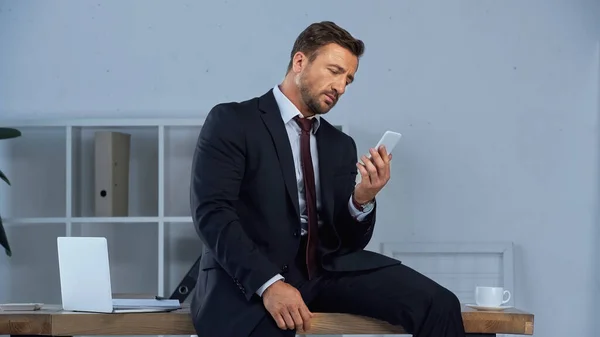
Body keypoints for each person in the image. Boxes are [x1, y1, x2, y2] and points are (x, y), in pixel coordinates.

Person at [189, 21, 465, 337]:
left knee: (440, 303)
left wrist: (361, 199)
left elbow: (345, 242)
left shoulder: (339, 144)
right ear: (299, 62)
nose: (341, 86)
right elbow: (213, 215)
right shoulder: (233, 121)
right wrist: (269, 285)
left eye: (348, 79)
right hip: (250, 280)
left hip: (325, 272)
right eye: (334, 71)